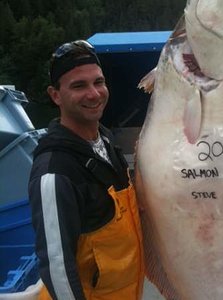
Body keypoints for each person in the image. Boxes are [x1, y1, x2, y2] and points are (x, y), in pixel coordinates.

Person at [28, 40, 145, 300]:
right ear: (55, 95)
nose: (94, 94)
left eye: (99, 82)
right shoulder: (54, 171)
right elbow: (57, 269)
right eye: (79, 86)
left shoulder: (105, 143)